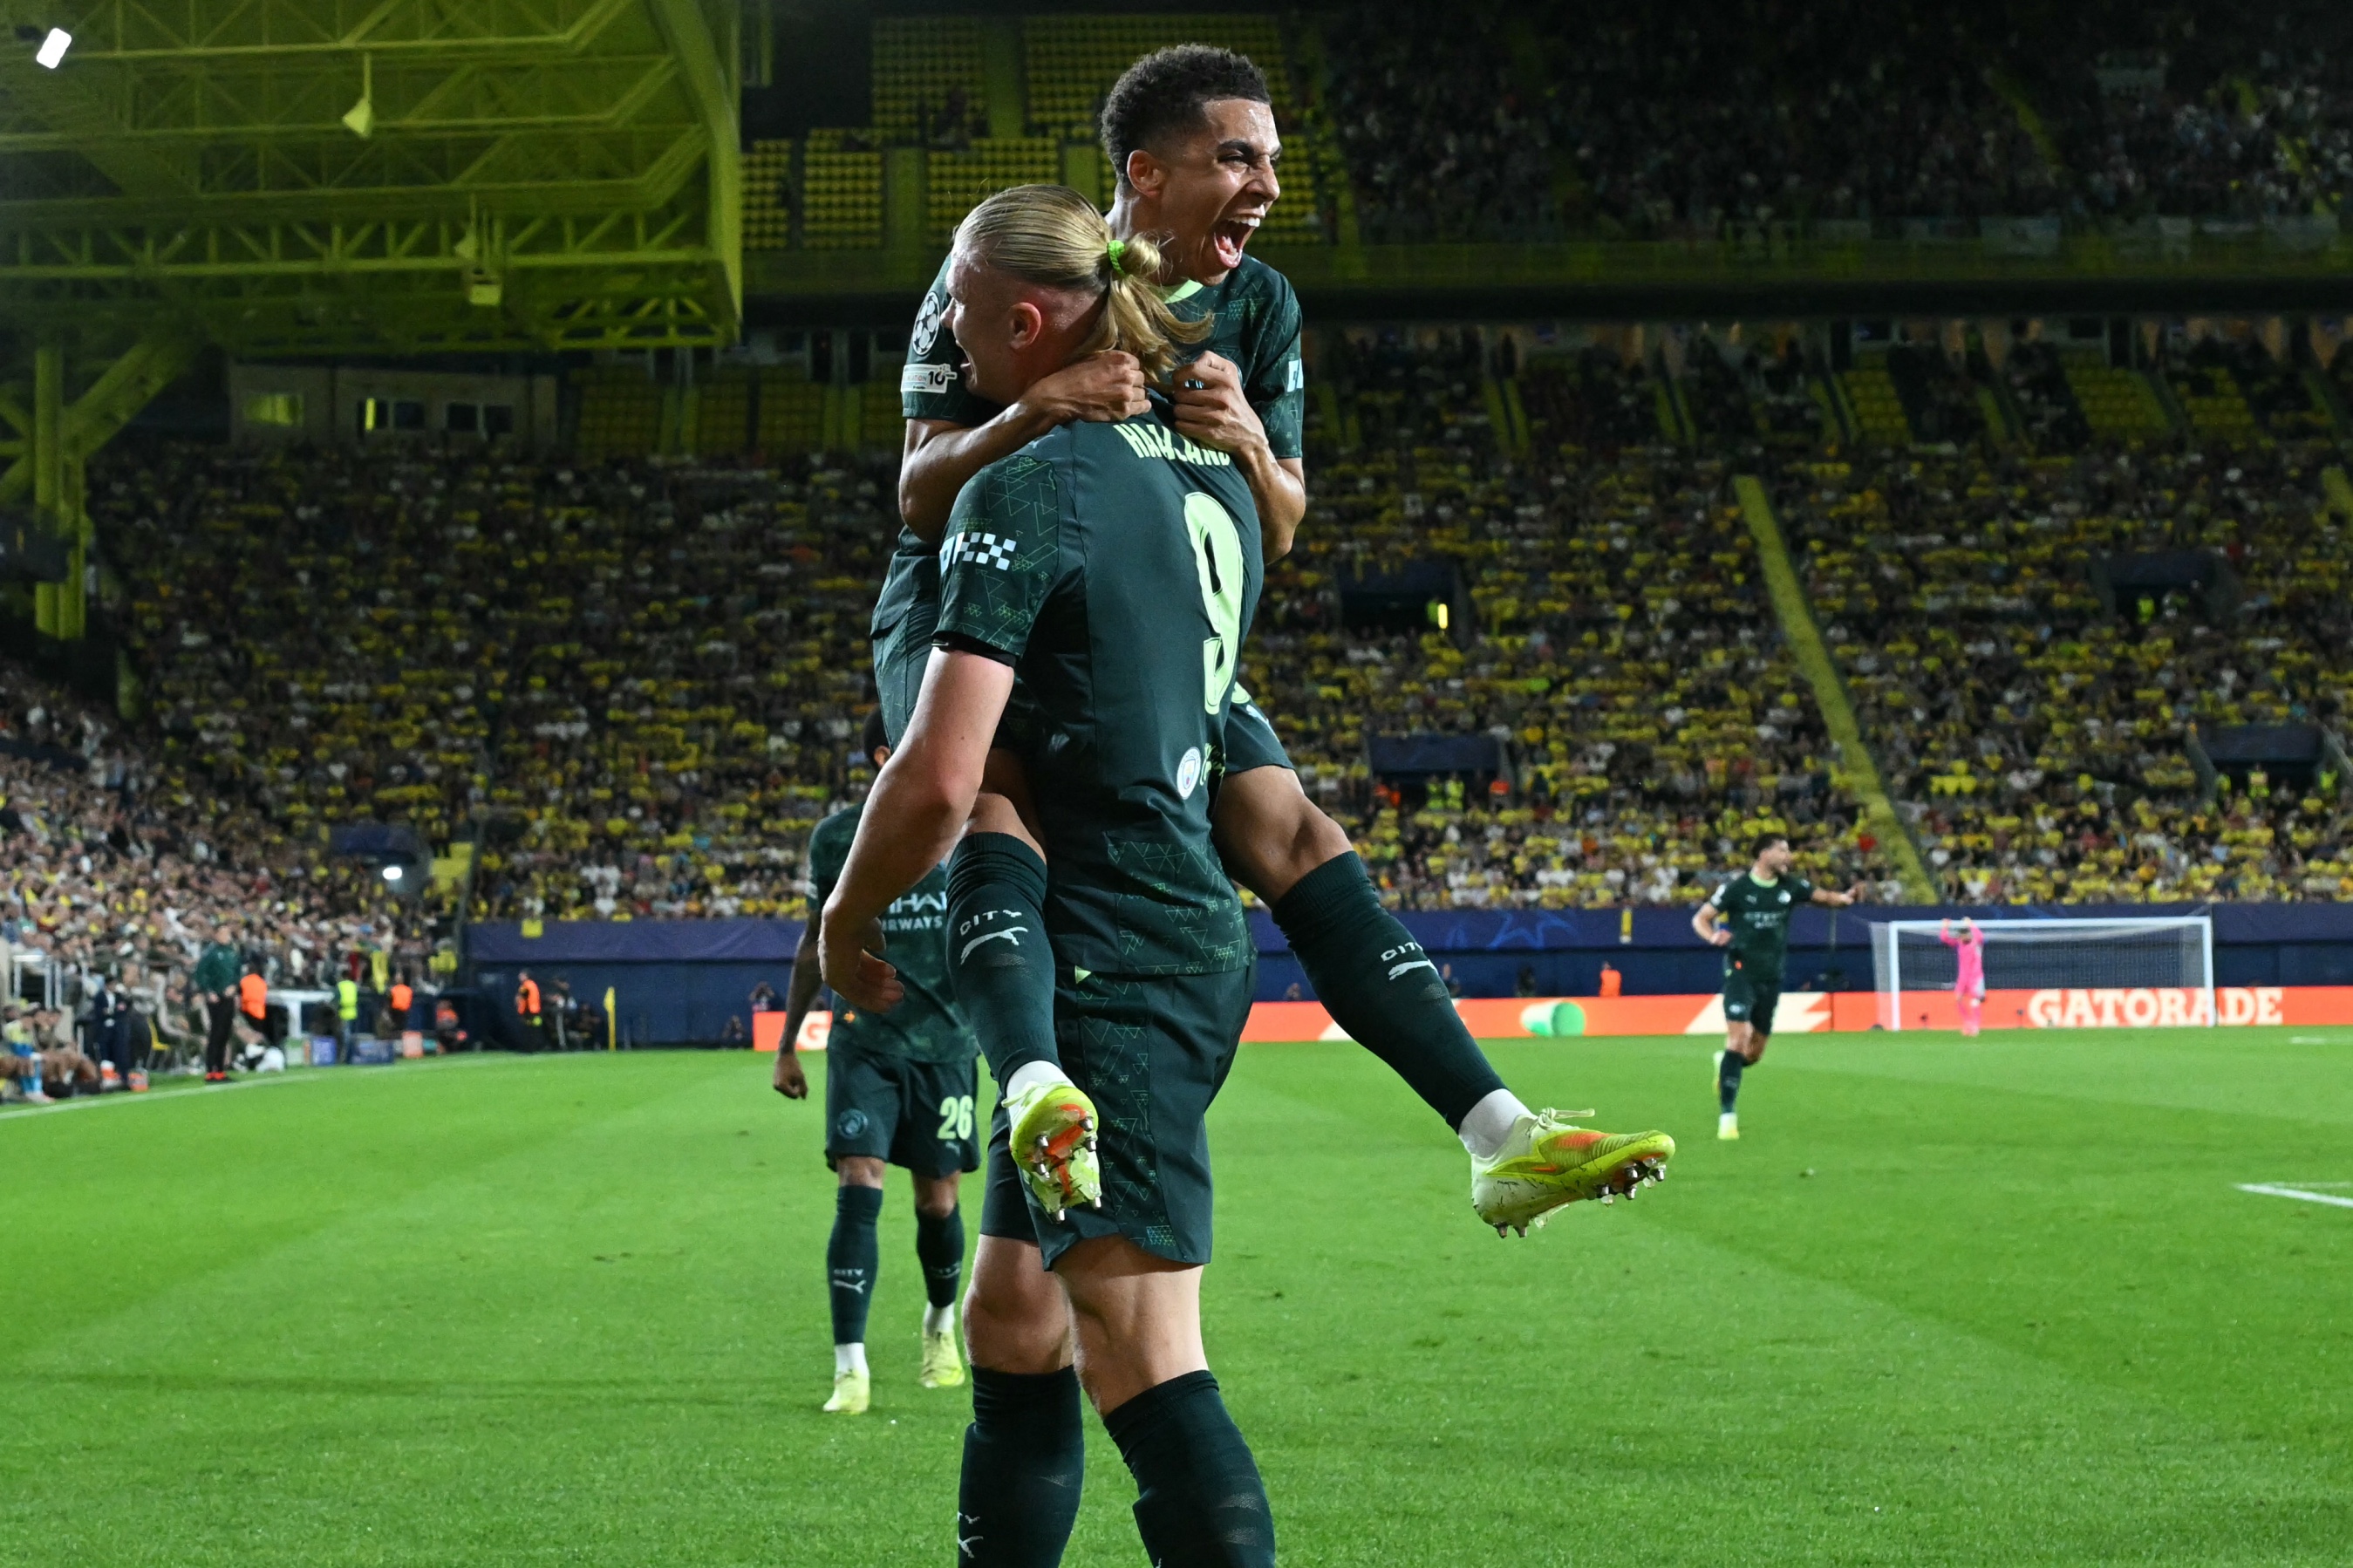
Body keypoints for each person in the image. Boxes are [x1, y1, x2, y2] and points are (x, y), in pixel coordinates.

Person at [826, 187, 1666, 1568]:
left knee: (1145, 1358)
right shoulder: (1197, 476)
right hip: (1157, 917)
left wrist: (843, 921)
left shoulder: (1030, 481)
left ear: (1026, 321)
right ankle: (1487, 1123)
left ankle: (1046, 1070)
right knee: (1013, 1320)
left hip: (1119, 951)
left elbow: (937, 781)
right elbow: (1264, 798)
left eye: (965, 320)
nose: (944, 342)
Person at [889, 44, 1633, 1232]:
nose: (1268, 184)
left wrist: (1245, 443)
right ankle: (1033, 1076)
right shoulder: (1014, 266)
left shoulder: (1261, 305)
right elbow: (918, 496)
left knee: (1290, 825)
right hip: (994, 605)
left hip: (1158, 615)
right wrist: (1030, 409)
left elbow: (1282, 525)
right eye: (1237, 156)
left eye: (1273, 159)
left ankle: (1500, 1132)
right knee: (998, 785)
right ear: (1145, 171)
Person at [775, 708, 980, 1416]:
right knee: (859, 1182)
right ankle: (850, 1368)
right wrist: (786, 1046)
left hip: (948, 1047)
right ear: (884, 755)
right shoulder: (836, 839)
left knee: (938, 1201)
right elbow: (815, 943)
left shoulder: (966, 831)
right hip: (863, 1042)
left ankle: (939, 1324)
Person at [1694, 834, 1864, 1140]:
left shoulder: (1791, 886)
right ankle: (1728, 1117)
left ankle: (1726, 1065)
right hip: (1740, 972)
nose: (1788, 855)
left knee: (1754, 1053)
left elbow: (1825, 898)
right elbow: (1702, 918)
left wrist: (1847, 897)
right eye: (1782, 849)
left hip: (1771, 977)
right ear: (1763, 853)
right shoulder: (1737, 889)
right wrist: (1712, 936)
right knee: (1738, 1038)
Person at [192, 920, 242, 1083]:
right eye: (222, 933)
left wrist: (234, 986)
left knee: (225, 1033)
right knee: (216, 1033)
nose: (226, 936)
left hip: (228, 997)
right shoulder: (211, 953)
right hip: (215, 998)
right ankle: (210, 1069)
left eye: (227, 933)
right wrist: (208, 991)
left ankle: (220, 1069)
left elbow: (237, 972)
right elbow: (200, 974)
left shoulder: (232, 952)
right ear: (216, 935)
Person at [1941, 917, 1986, 1036]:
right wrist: (1945, 926)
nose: (1962, 937)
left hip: (1975, 977)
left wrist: (1971, 924)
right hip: (1963, 977)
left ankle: (1975, 1026)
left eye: (1964, 935)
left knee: (1975, 1000)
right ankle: (1968, 1023)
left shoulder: (1976, 941)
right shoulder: (1960, 943)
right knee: (1958, 999)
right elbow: (1944, 938)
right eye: (1961, 935)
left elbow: (1981, 936)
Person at [335, 973, 360, 1062]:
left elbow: (337, 1000)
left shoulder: (340, 986)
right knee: (353, 1037)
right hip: (354, 1013)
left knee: (346, 1038)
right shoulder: (353, 985)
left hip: (344, 1014)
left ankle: (346, 1058)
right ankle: (353, 1056)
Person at [515, 970, 542, 1049]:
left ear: (526, 976)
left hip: (528, 1011)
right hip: (535, 1010)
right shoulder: (533, 984)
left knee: (529, 1030)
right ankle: (534, 1047)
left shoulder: (526, 985)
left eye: (521, 975)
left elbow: (523, 997)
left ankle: (529, 1048)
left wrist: (518, 999)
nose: (520, 977)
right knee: (535, 1029)